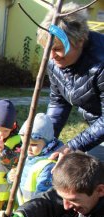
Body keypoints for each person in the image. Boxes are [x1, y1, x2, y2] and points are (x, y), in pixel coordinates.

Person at [37, 2, 104, 160]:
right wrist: (45, 140)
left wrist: (72, 146)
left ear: (80, 41)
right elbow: (58, 102)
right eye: (47, 49)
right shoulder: (55, 62)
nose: (51, 57)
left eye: (57, 49)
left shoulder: (100, 65)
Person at [3, 113, 64, 217]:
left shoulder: (47, 165)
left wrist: (33, 209)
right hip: (25, 210)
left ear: (48, 142)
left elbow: (44, 194)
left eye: (34, 144)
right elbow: (20, 176)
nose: (28, 148)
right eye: (25, 144)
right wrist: (12, 176)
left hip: (36, 215)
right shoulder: (30, 157)